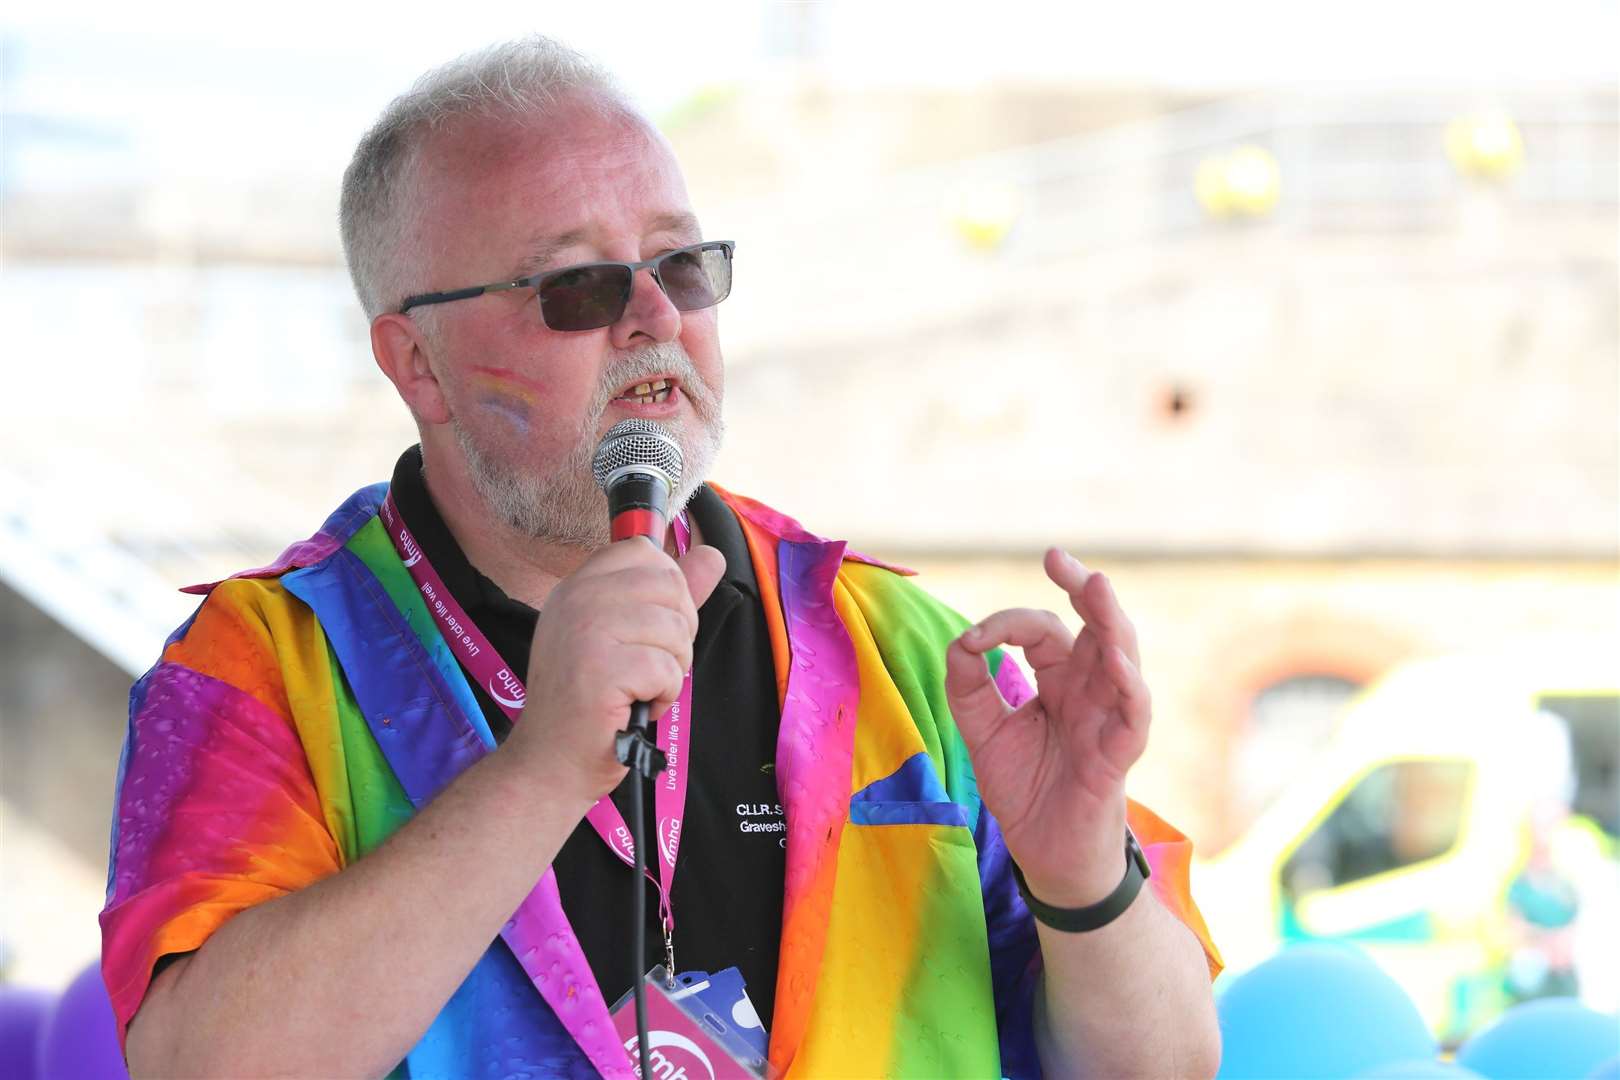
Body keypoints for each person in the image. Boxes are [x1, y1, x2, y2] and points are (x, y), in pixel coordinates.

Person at [100, 36, 1222, 1079]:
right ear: (420, 365)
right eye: (576, 286)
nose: (652, 314)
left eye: (680, 265)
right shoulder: (266, 668)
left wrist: (1083, 878)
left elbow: (1171, 1061)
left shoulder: (900, 648)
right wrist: (540, 772)